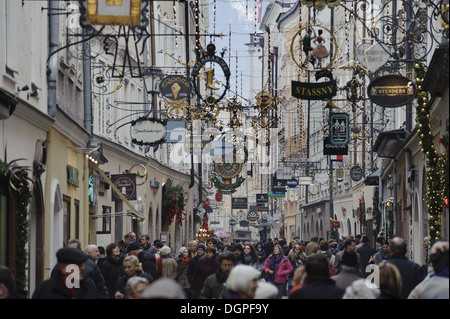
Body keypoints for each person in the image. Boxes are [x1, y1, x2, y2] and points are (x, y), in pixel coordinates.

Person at [32, 247, 99, 299]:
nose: (82, 268)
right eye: (77, 265)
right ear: (63, 268)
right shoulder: (45, 290)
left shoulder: (88, 287)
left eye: (82, 264)